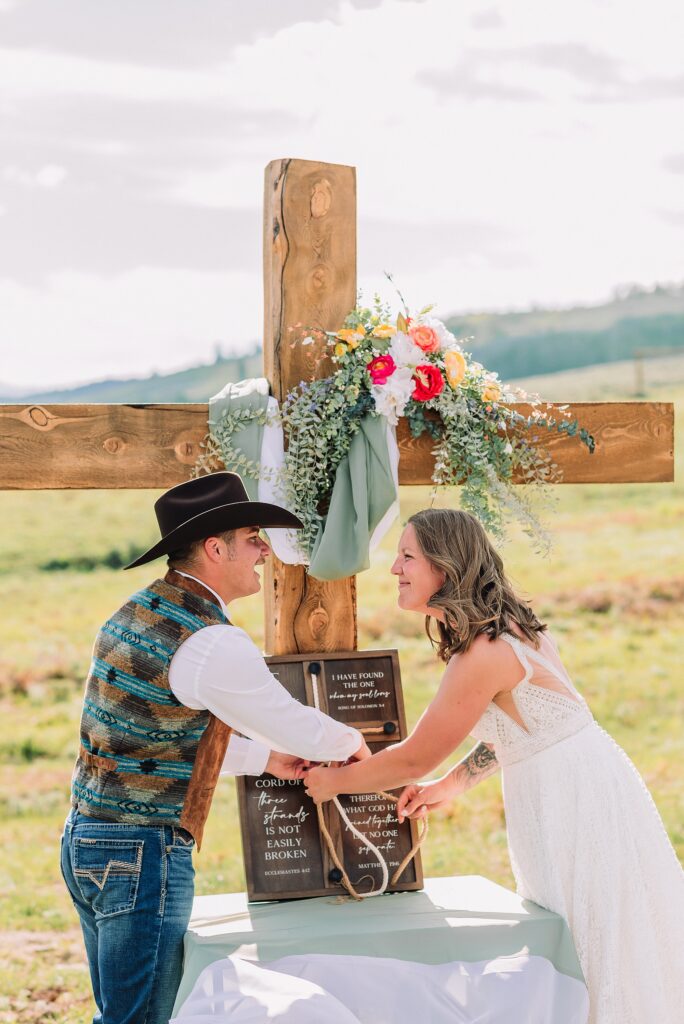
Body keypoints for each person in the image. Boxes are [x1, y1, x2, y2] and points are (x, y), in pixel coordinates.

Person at [304, 507, 684, 1024]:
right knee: (585, 938)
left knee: (595, 942)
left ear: (446, 565)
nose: (394, 568)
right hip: (570, 785)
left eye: (408, 555)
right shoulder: (499, 631)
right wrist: (453, 785)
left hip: (575, 801)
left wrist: (334, 782)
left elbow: (415, 756)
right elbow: (527, 732)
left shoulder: (485, 649)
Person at [60, 472, 370, 1024]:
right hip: (141, 850)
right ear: (215, 547)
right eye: (253, 537)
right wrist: (355, 744)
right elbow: (290, 723)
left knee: (119, 1015)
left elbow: (151, 738)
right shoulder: (211, 639)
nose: (263, 551)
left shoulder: (136, 611)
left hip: (88, 839)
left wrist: (263, 761)